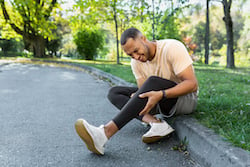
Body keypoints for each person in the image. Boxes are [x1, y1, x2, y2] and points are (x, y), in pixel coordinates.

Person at [75, 27, 198, 155]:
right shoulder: (136, 62)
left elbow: (192, 84)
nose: (135, 57)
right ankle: (156, 124)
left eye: (136, 51)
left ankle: (105, 133)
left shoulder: (172, 47)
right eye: (130, 55)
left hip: (184, 99)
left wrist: (161, 94)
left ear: (143, 39)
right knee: (115, 92)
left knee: (152, 82)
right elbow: (144, 91)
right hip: (158, 100)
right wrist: (137, 96)